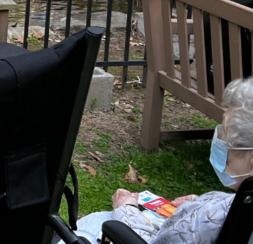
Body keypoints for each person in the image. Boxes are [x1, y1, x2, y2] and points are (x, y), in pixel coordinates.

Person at [93, 76, 253, 244]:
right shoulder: (232, 209)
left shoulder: (215, 218)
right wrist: (199, 202)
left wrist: (126, 208)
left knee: (92, 223)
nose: (218, 136)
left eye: (225, 132)